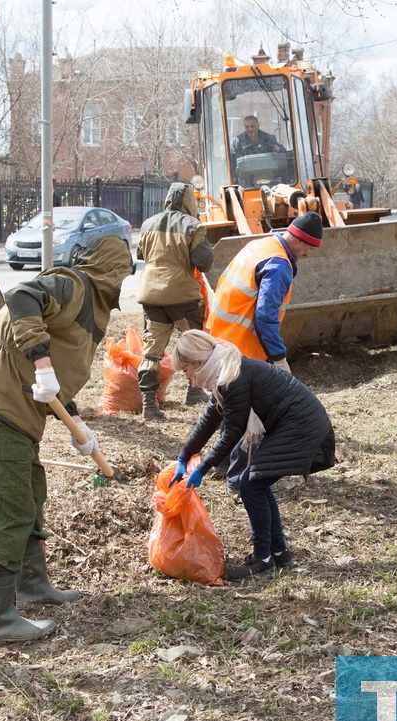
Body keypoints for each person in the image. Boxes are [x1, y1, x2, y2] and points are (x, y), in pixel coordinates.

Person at [0, 236, 133, 647]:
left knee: (30, 495)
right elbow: (22, 296)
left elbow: (60, 377)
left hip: (18, 413)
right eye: (124, 272)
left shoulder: (91, 305)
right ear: (113, 269)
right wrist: (42, 363)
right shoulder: (73, 283)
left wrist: (78, 426)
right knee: (4, 506)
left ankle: (33, 585)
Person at [169, 330, 335, 581]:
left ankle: (262, 560)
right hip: (296, 423)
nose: (189, 379)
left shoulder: (230, 377)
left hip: (300, 425)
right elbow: (211, 418)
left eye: (185, 371)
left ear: (197, 362)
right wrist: (184, 455)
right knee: (257, 484)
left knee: (252, 485)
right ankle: (279, 555)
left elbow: (231, 432)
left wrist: (202, 467)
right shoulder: (224, 370)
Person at [206, 210, 323, 371]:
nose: (308, 254)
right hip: (239, 349)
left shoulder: (260, 245)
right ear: (298, 240)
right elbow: (265, 317)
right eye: (309, 248)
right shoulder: (278, 266)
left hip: (219, 336)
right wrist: (279, 357)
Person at [136, 181, 214, 419]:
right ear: (190, 202)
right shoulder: (194, 226)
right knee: (197, 342)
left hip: (151, 295)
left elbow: (141, 254)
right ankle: (194, 390)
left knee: (152, 350)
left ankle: (149, 405)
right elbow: (204, 262)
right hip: (182, 297)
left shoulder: (148, 223)